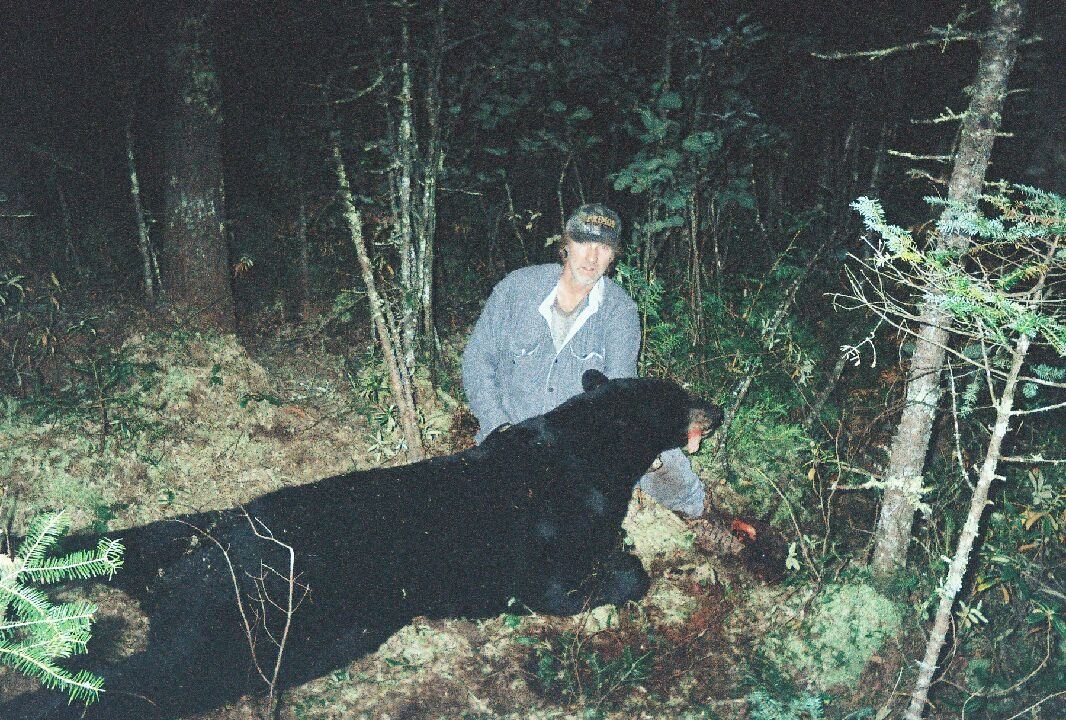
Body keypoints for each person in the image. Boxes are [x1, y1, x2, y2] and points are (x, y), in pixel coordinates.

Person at [462, 203, 706, 517]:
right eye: (583, 243)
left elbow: (621, 395)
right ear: (566, 244)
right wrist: (498, 426)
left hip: (577, 446)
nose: (591, 258)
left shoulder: (620, 311)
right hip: (511, 436)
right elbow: (477, 360)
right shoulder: (516, 289)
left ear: (613, 255)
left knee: (669, 464)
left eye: (603, 248)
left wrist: (663, 440)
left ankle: (698, 517)